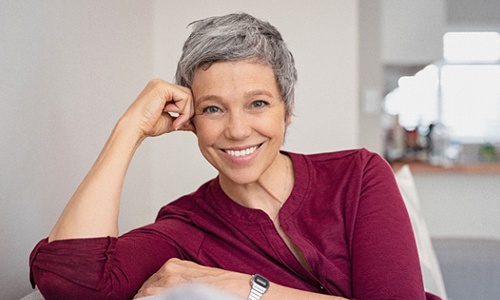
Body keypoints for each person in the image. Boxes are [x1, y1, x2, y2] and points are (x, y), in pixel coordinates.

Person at [29, 13, 439, 300]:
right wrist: (130, 128)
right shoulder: (185, 227)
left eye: (258, 103)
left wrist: (248, 289)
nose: (238, 130)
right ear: (189, 120)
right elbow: (72, 280)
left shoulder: (359, 174)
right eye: (213, 108)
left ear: (287, 109)